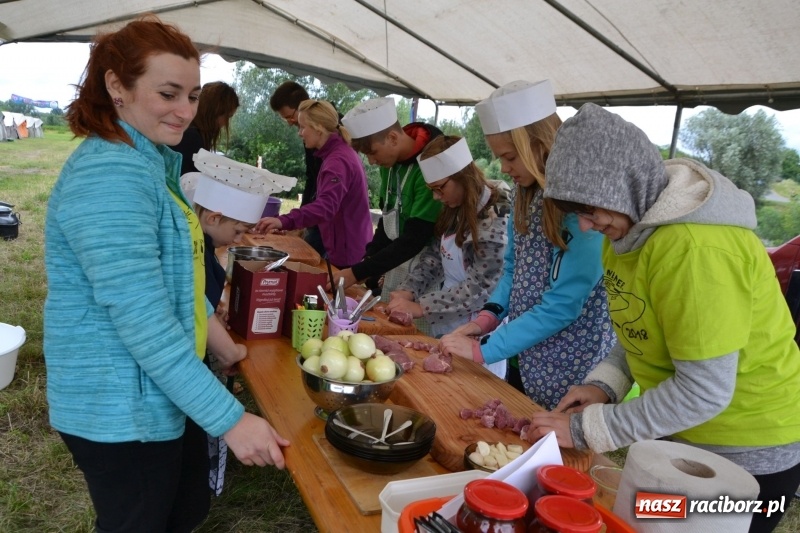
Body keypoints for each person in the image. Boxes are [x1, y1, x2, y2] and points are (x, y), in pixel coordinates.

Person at [44, 16, 289, 532]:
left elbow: (173, 281)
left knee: (184, 510)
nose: (185, 111)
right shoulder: (109, 173)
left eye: (193, 95)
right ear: (117, 86)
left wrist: (220, 342)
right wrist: (229, 420)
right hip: (118, 408)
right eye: (169, 93)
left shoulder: (147, 161)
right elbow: (143, 319)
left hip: (152, 394)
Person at [529, 103, 800, 533]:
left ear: (624, 188)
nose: (585, 226)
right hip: (680, 435)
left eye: (591, 210)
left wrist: (587, 432)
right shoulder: (627, 232)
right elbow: (641, 327)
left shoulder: (695, 248)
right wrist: (604, 385)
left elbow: (705, 390)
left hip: (747, 451)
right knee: (650, 523)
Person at [439, 80, 613, 409]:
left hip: (571, 364)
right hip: (525, 351)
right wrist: (486, 319)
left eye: (509, 156)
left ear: (538, 144)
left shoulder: (581, 208)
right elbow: (513, 269)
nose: (503, 168)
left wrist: (483, 349)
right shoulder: (525, 192)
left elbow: (561, 306)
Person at [385, 135, 511, 349]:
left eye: (439, 188)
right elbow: (434, 256)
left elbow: (480, 289)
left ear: (462, 176)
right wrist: (410, 288)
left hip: (478, 325)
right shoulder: (456, 207)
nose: (436, 197)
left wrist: (421, 307)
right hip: (449, 315)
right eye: (432, 189)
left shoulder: (495, 219)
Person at [336, 97, 443, 299]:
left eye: (373, 153)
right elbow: (387, 224)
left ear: (393, 138)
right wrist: (368, 261)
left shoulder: (428, 167)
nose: (372, 161)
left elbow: (415, 238)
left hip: (427, 271)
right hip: (397, 264)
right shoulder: (390, 166)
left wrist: (358, 271)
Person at [254, 99, 373, 268]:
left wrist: (285, 221)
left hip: (348, 252)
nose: (299, 133)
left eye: (303, 127)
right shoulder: (337, 154)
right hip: (347, 246)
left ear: (319, 128)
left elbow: (326, 207)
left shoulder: (337, 161)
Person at [269, 81, 326, 257]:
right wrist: (300, 219)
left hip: (330, 221)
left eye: (289, 117)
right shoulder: (309, 136)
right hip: (317, 213)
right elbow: (312, 178)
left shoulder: (334, 147)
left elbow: (327, 200)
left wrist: (298, 220)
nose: (289, 124)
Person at [171, 80, 239, 175]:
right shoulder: (192, 139)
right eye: (227, 117)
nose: (225, 123)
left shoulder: (189, 133)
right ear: (216, 111)